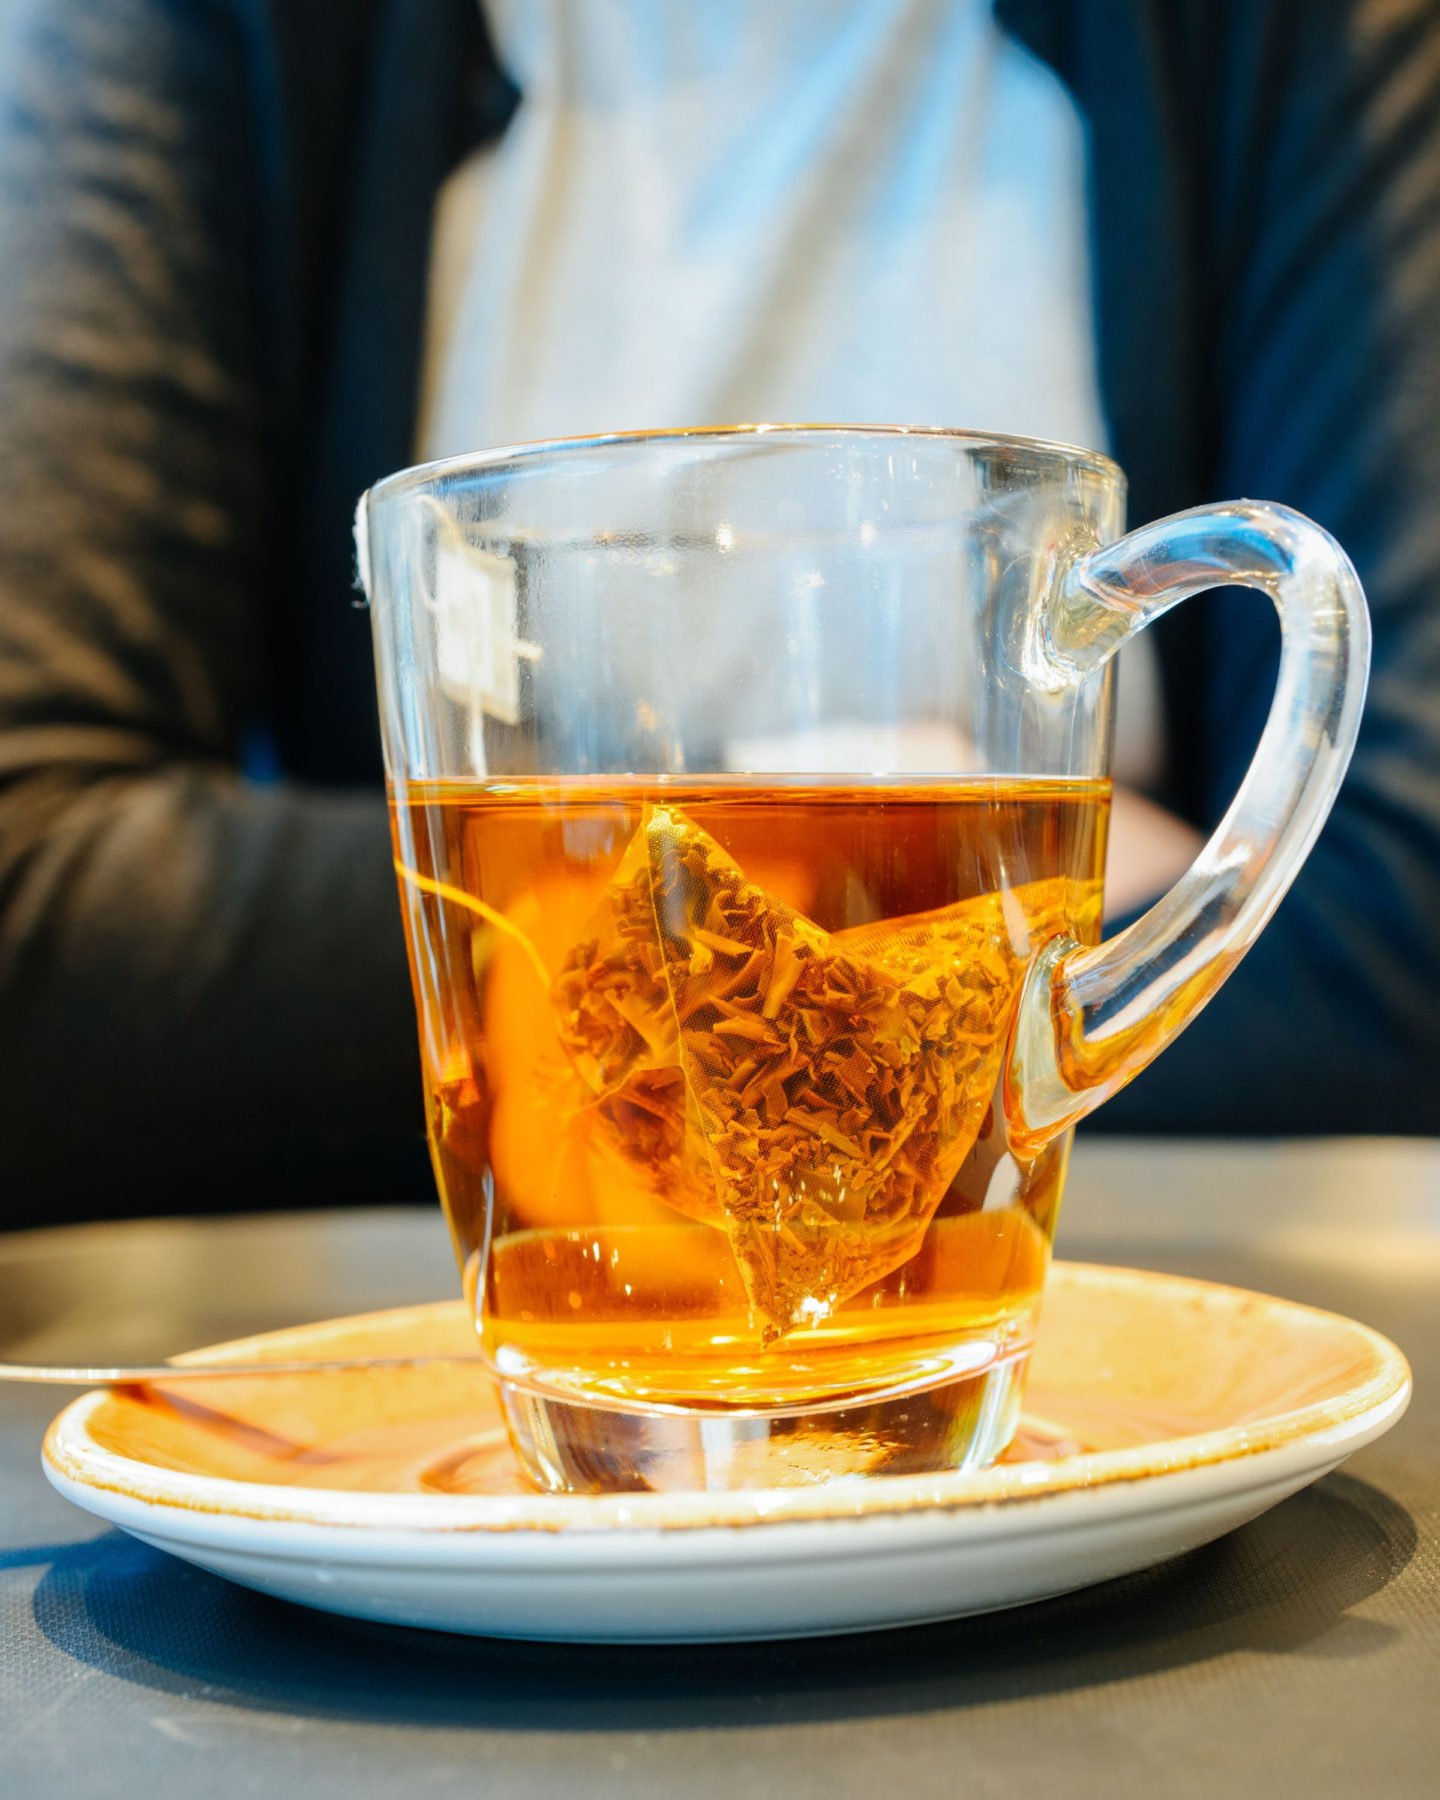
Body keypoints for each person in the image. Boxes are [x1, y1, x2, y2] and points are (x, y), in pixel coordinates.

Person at [1, 0, 1437, 1232]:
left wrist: (532, 932)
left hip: (1087, 1355)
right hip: (421, 1418)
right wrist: (922, 889)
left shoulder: (1286, 32)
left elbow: (1404, 946)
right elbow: (42, 938)